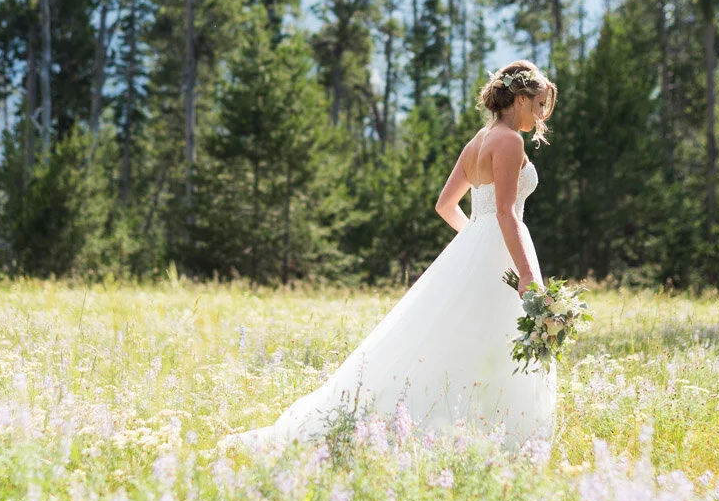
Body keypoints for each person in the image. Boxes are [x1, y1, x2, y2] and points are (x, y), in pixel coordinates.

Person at [223, 60, 559, 452]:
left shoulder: (477, 141)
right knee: (494, 342)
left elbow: (445, 205)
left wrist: (474, 243)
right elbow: (505, 213)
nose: (538, 117)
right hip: (503, 248)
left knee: (463, 341)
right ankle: (490, 436)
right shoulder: (508, 141)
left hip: (482, 249)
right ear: (518, 98)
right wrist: (525, 273)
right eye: (536, 105)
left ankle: (464, 428)